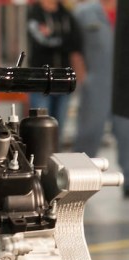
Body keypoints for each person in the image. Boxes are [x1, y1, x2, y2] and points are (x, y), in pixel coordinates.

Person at [72, 0, 129, 195]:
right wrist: (84, 77)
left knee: (126, 133)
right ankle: (79, 179)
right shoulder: (84, 13)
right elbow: (75, 49)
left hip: (124, 84)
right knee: (89, 131)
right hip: (96, 83)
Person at [26, 0, 82, 128]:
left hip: (62, 78)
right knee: (40, 124)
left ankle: (56, 148)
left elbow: (75, 42)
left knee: (59, 124)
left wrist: (53, 35)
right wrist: (63, 39)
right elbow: (41, 41)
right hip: (40, 78)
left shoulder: (66, 15)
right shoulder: (35, 14)